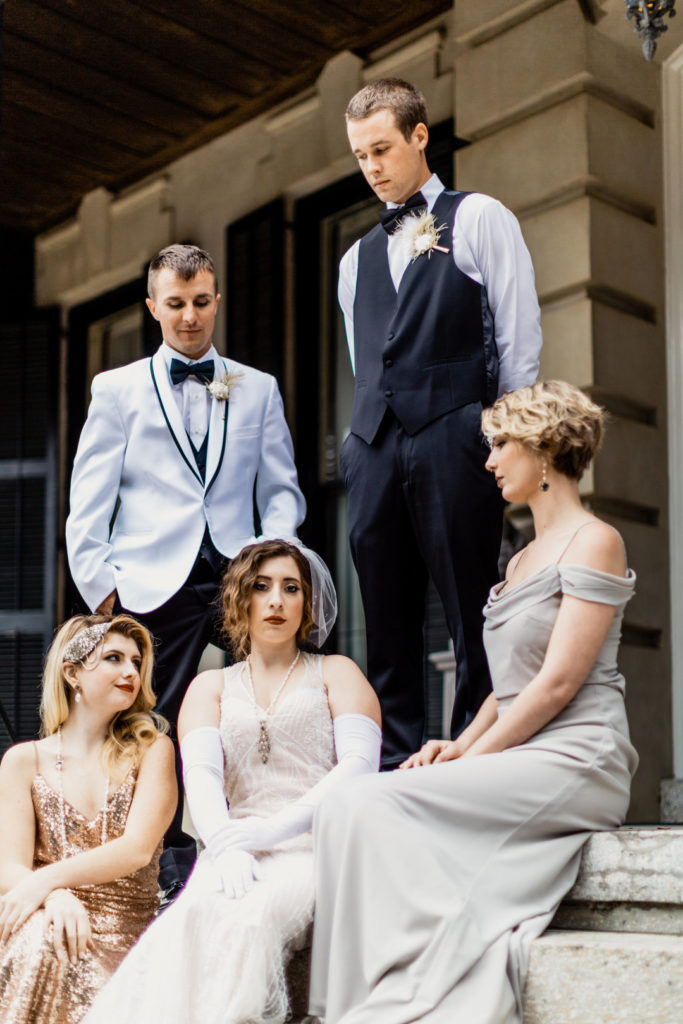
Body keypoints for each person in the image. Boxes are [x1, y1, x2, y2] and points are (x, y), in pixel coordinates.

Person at [309, 381, 638, 1024]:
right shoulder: (517, 561)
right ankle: (354, 1001)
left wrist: (471, 760)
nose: (488, 461)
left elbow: (557, 685)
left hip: (579, 755)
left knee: (375, 803)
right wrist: (456, 745)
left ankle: (409, 988)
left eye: (501, 445)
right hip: (517, 751)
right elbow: (503, 688)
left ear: (543, 450)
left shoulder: (596, 541)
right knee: (347, 802)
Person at [66, 244, 306, 898]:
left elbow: (281, 487)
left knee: (271, 704)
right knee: (150, 723)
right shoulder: (116, 390)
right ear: (153, 306)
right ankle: (162, 864)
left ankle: (274, 838)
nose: (190, 317)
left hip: (239, 580)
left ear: (216, 299)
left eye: (201, 302)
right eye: (175, 304)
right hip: (149, 584)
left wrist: (272, 557)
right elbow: (89, 499)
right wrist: (105, 592)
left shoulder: (256, 387)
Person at [84, 539, 381, 1024]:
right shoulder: (211, 687)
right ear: (240, 599)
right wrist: (226, 842)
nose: (277, 601)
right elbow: (200, 777)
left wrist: (271, 832)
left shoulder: (337, 672)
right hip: (232, 845)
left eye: (291, 588)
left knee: (252, 917)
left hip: (319, 846)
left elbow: (357, 770)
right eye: (262, 587)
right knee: (188, 919)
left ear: (307, 602)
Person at [339, 77, 543, 767]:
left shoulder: (481, 217)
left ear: (419, 136)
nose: (370, 167)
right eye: (360, 154)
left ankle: (469, 757)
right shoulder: (351, 262)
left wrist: (504, 439)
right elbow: (368, 358)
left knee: (468, 607)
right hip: (372, 447)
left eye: (381, 148)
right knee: (384, 620)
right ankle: (396, 763)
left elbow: (519, 341)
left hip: (455, 435)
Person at [0, 614, 176, 1024]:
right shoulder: (23, 760)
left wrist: (47, 879)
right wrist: (55, 896)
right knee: (43, 939)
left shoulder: (153, 751)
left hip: (125, 931)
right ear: (72, 673)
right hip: (47, 916)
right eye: (114, 658)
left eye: (136, 662)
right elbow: (9, 866)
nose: (131, 671)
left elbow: (136, 850)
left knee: (55, 945)